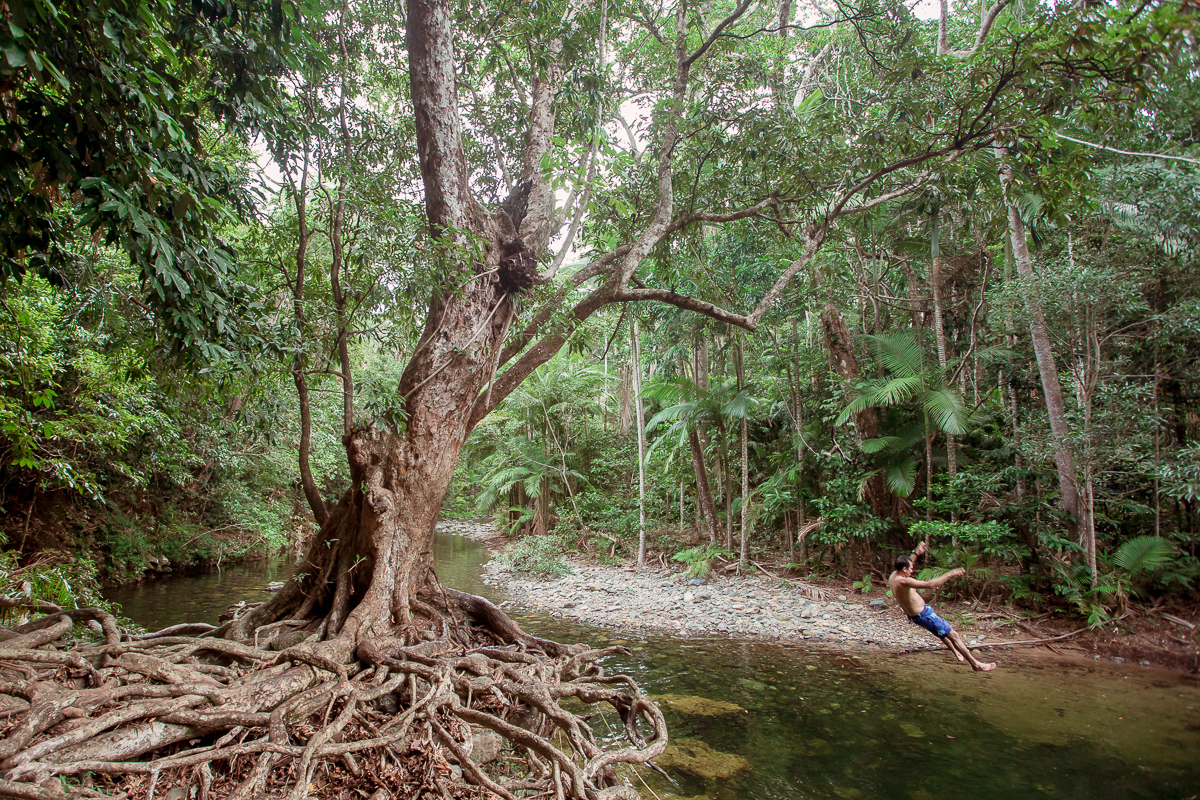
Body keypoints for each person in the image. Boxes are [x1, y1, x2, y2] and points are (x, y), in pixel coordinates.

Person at [888, 541, 996, 671]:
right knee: (953, 635)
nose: (912, 570)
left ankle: (956, 653)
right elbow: (931, 584)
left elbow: (909, 561)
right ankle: (975, 664)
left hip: (917, 615)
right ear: (904, 569)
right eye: (910, 569)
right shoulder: (904, 581)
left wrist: (917, 552)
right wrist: (950, 574)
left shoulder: (894, 575)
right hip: (924, 615)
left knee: (941, 632)